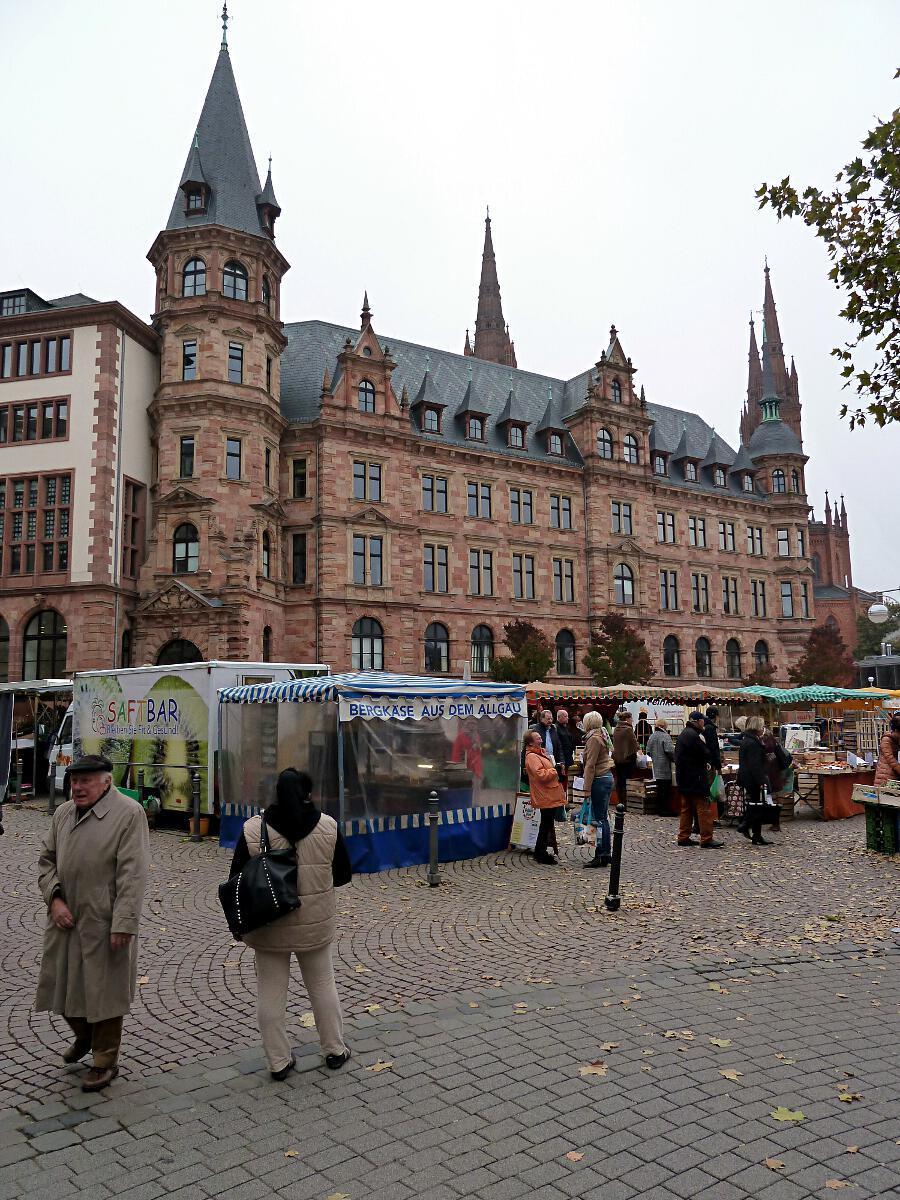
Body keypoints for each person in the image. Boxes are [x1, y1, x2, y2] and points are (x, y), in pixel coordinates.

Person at [35, 754, 150, 1092]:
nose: (77, 787)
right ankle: (84, 1035)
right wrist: (54, 899)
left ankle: (104, 1060)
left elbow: (133, 874)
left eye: (85, 780)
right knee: (62, 983)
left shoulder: (129, 815)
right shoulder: (63, 813)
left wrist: (124, 923)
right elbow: (46, 860)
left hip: (105, 921)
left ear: (106, 781)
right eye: (74, 780)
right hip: (66, 919)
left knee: (104, 993)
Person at [229, 768, 353, 1080]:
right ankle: (334, 1050)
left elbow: (237, 881)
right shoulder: (328, 826)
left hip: (269, 925)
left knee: (270, 993)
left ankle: (278, 1062)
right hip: (315, 925)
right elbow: (343, 875)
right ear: (308, 794)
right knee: (323, 986)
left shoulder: (252, 829)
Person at [674, 712, 723, 848]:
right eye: (702, 721)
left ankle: (683, 836)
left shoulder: (684, 734)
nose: (704, 724)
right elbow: (705, 753)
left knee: (687, 809)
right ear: (698, 721)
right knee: (703, 808)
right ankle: (706, 838)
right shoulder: (693, 736)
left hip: (684, 777)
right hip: (695, 777)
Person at [522, 730, 566, 865]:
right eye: (537, 738)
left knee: (547, 823)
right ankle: (540, 853)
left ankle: (540, 851)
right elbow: (540, 775)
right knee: (545, 824)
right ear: (530, 742)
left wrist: (555, 769)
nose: (541, 740)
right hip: (545, 794)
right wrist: (554, 770)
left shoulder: (539, 753)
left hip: (548, 793)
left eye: (540, 737)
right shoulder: (532, 756)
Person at [580, 712, 615, 868]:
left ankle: (601, 854)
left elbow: (590, 765)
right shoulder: (602, 735)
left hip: (599, 780)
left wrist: (586, 789)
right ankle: (605, 852)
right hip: (606, 777)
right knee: (603, 818)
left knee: (599, 819)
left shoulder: (593, 739)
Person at [736, 716, 777, 845]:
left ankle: (755, 833)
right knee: (757, 805)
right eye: (762, 726)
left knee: (756, 804)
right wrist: (762, 781)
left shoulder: (748, 740)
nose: (763, 728)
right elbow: (755, 766)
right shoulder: (753, 742)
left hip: (748, 777)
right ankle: (746, 824)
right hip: (753, 779)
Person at [761, 724, 792, 832]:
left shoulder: (767, 740)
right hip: (775, 770)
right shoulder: (771, 738)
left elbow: (768, 752)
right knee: (776, 794)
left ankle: (775, 822)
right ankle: (775, 821)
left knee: (773, 795)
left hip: (772, 771)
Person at [645, 718, 675, 814]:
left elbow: (648, 751)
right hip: (665, 766)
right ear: (663, 726)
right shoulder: (666, 736)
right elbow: (670, 751)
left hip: (656, 766)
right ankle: (665, 810)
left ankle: (659, 809)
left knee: (659, 788)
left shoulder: (652, 736)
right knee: (665, 790)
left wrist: (655, 757)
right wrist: (675, 759)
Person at [612, 710, 639, 806]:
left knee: (620, 780)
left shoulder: (616, 729)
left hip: (618, 760)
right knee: (627, 781)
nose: (632, 720)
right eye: (631, 718)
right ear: (627, 719)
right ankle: (626, 802)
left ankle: (620, 801)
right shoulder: (628, 729)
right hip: (628, 759)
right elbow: (634, 744)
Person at [703, 706, 725, 822]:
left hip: (707, 762)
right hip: (710, 764)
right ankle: (711, 816)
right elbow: (714, 748)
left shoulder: (704, 727)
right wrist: (718, 765)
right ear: (715, 716)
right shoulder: (710, 728)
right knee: (711, 790)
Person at [874, 715, 900, 786]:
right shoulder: (886, 740)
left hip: (894, 776)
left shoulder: (896, 739)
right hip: (885, 776)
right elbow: (890, 759)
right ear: (895, 730)